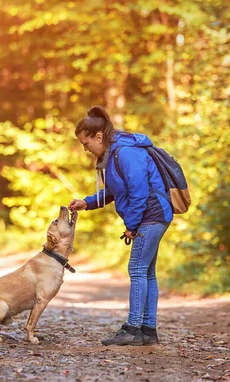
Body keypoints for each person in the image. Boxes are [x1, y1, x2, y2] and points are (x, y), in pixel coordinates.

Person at [68, 105, 173, 346]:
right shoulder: (113, 154)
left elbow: (139, 192)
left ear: (98, 136)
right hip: (152, 214)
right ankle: (148, 330)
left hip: (151, 214)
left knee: (136, 270)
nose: (85, 149)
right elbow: (117, 190)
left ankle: (133, 329)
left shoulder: (125, 152)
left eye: (86, 144)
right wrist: (87, 202)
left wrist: (131, 226)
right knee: (147, 272)